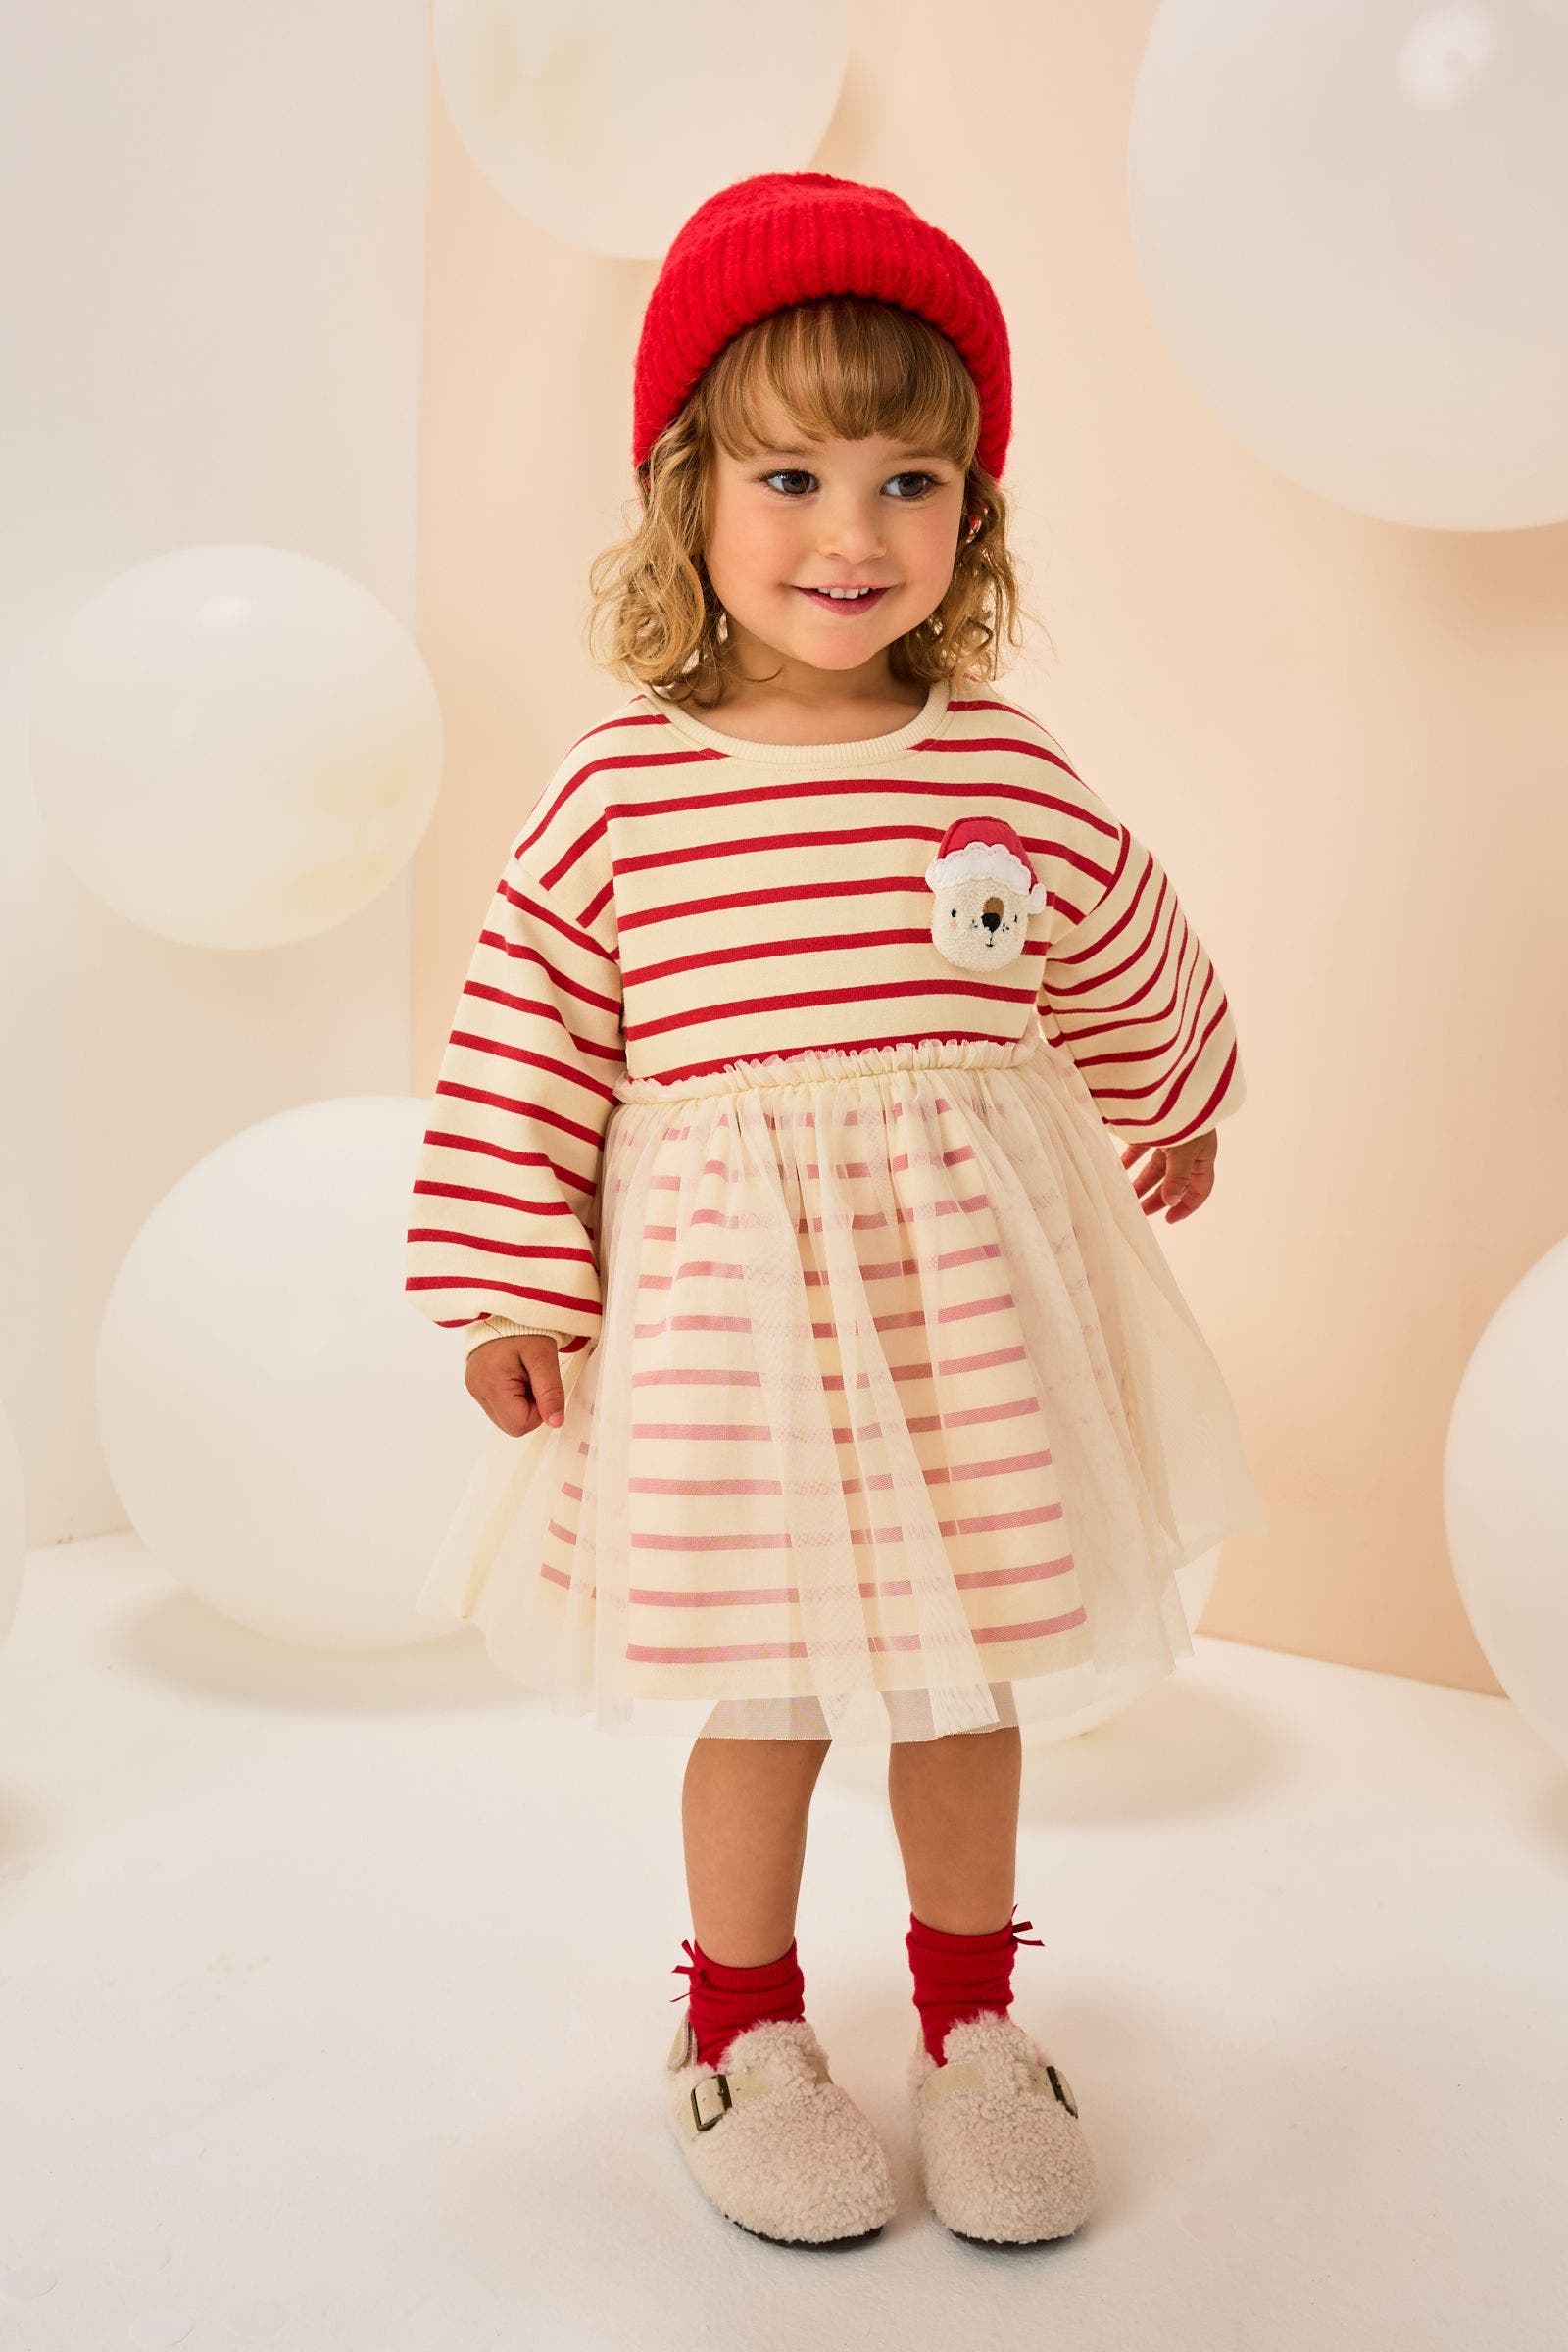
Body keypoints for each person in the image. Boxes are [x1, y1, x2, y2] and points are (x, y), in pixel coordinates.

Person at [404, 171, 1267, 2247]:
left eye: (909, 482)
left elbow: (1115, 936)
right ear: (685, 493)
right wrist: (512, 1288)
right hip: (742, 1342)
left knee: (969, 1682)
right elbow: (526, 1033)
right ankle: (742, 2031)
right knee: (769, 1691)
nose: (849, 532)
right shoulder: (626, 788)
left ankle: (972, 2025)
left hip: (963, 1328)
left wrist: (1173, 1094)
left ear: (972, 511)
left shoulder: (999, 767)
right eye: (788, 475)